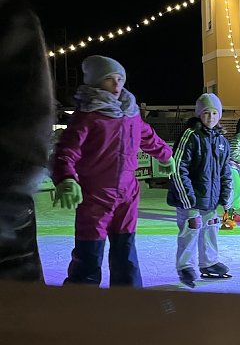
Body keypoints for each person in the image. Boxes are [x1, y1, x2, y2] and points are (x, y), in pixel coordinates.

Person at [52, 55, 174, 287]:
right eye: (110, 79)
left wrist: (165, 154)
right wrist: (66, 178)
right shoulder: (87, 116)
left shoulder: (131, 113)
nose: (117, 85)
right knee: (89, 253)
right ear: (96, 83)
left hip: (128, 193)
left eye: (120, 79)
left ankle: (128, 300)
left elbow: (146, 135)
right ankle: (80, 303)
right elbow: (66, 150)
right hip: (95, 194)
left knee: (126, 252)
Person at [0, 0, 53, 282]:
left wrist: (11, 192)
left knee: (17, 322)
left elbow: (31, 109)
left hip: (4, 202)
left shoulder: (11, 19)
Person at [167, 94, 233, 288]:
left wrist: (226, 195)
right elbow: (178, 167)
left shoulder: (222, 141)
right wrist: (187, 197)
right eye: (206, 113)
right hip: (190, 198)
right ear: (199, 114)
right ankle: (186, 267)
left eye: (214, 113)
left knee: (211, 226)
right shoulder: (191, 135)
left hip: (210, 199)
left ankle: (209, 263)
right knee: (192, 228)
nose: (211, 117)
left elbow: (225, 171)